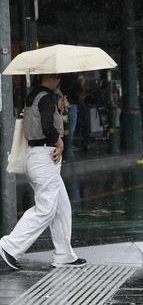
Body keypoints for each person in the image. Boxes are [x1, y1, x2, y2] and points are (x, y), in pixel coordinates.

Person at [0, 74, 86, 270]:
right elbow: (47, 127)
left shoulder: (34, 96)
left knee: (61, 206)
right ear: (50, 77)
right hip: (45, 157)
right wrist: (60, 143)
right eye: (57, 77)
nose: (59, 81)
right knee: (46, 208)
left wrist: (59, 109)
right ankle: (9, 246)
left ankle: (64, 255)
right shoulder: (47, 98)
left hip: (37, 156)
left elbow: (42, 122)